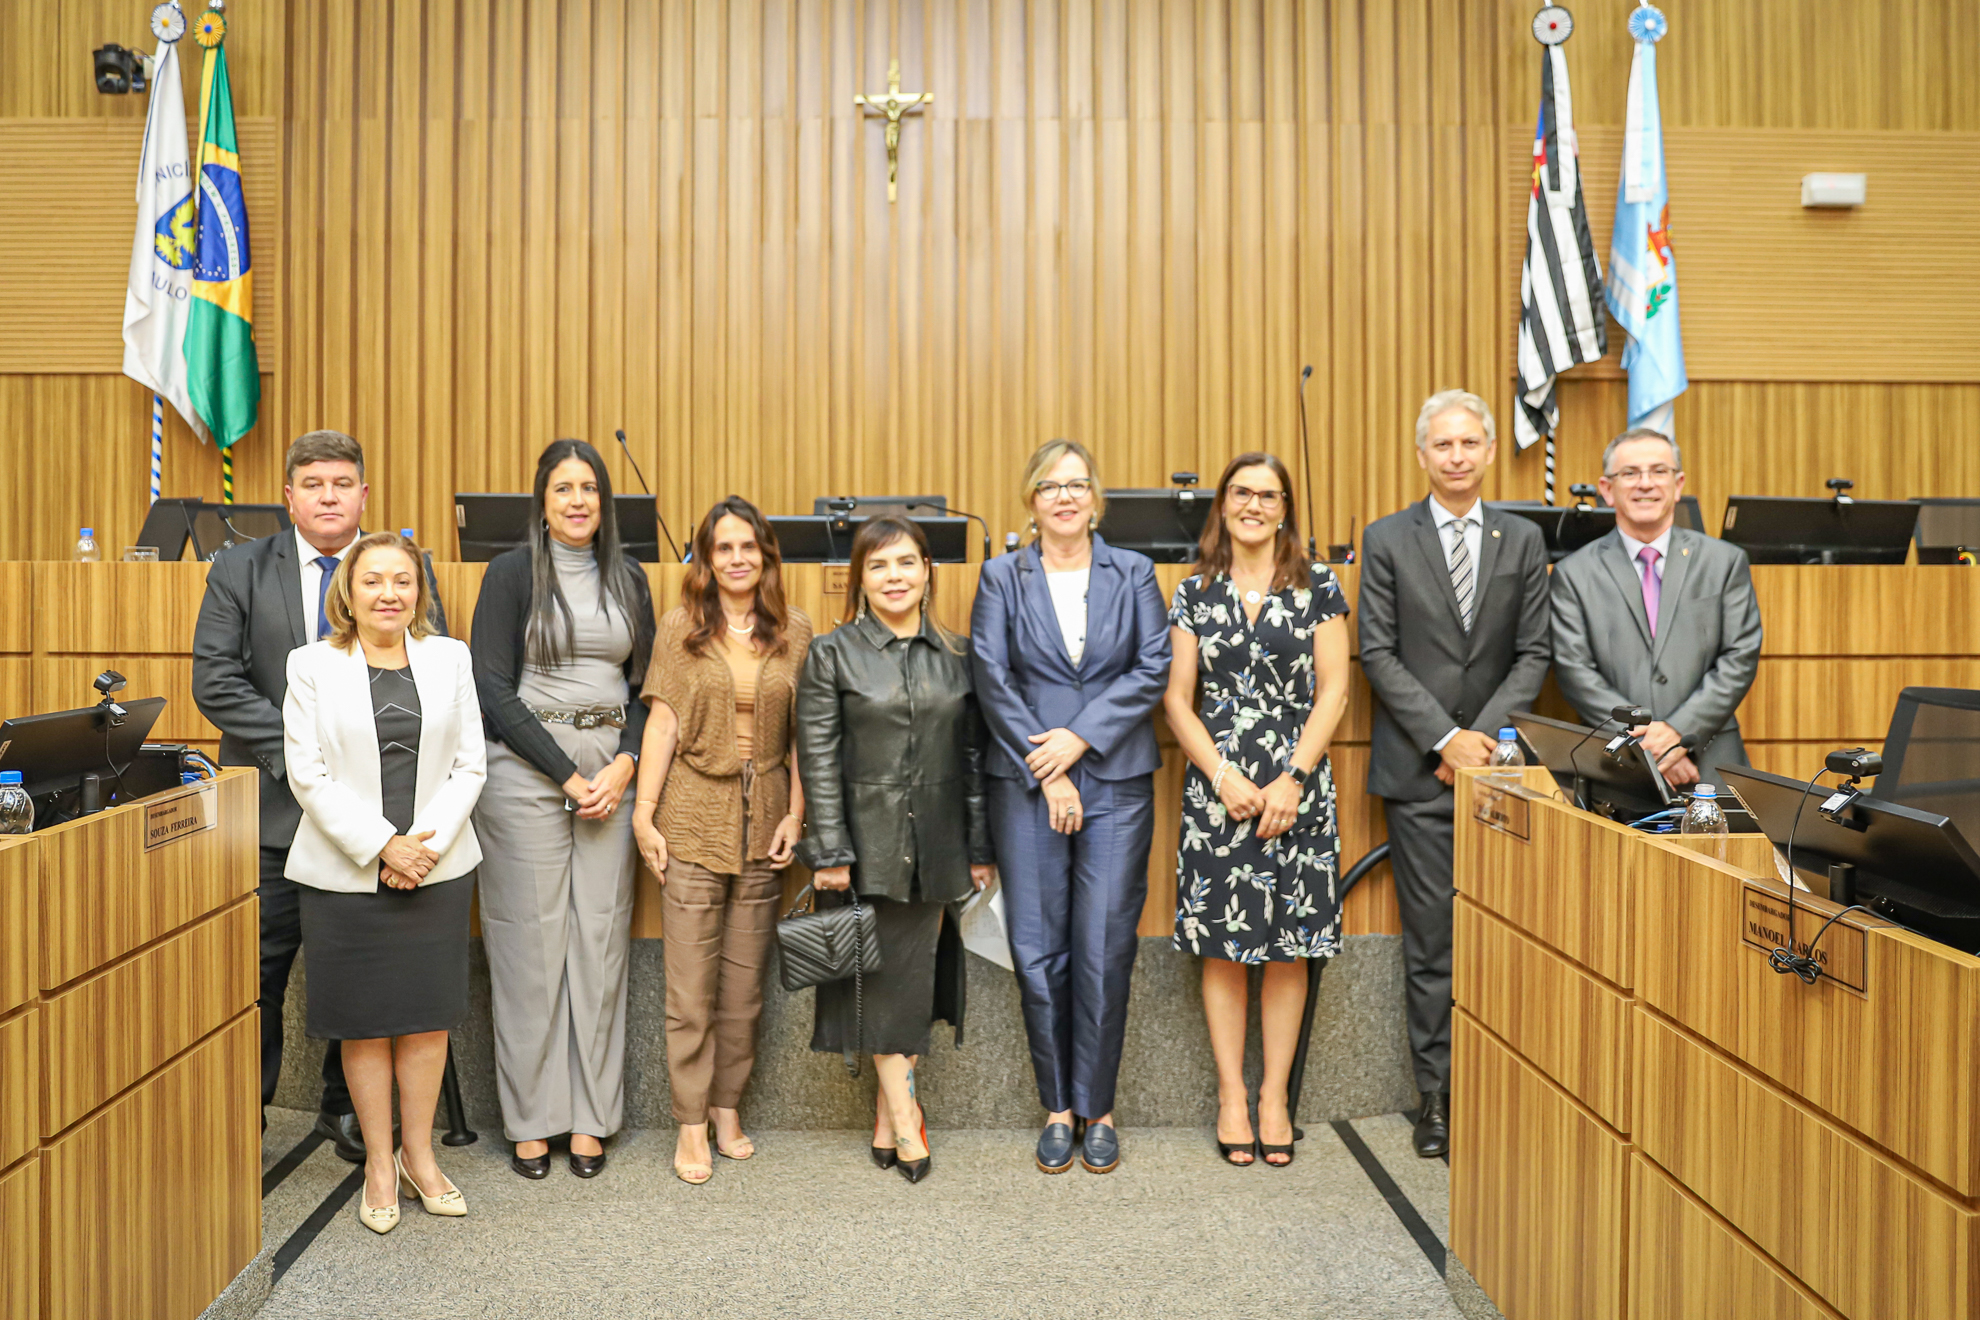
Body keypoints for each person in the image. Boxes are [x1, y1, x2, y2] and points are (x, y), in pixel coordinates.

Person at [192, 430, 453, 1161]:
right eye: (314, 484)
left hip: (378, 823)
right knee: (257, 978)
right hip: (273, 817)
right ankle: (246, 1122)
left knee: (362, 974)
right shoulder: (240, 568)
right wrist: (299, 758)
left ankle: (347, 1116)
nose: (329, 496)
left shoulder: (400, 571)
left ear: (364, 496)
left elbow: (435, 685)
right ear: (289, 497)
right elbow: (215, 680)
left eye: (343, 483)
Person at [1358, 391, 1552, 1159]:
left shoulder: (1525, 539)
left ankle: (1505, 1087)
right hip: (1419, 776)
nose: (1458, 456)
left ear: (1490, 449)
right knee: (1434, 944)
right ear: (1422, 456)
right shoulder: (1386, 539)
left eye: (1470, 442)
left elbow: (1534, 651)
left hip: (1503, 775)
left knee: (1510, 941)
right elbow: (1377, 651)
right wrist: (1444, 739)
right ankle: (1436, 1097)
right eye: (1443, 445)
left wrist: (1482, 742)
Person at [970, 439, 1169, 1176]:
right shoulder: (1000, 576)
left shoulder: (1135, 572)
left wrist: (1079, 741)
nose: (1064, 496)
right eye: (1050, 486)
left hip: (1116, 781)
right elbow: (991, 675)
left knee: (1105, 945)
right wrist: (1047, 766)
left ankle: (1099, 1103)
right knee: (1037, 948)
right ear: (1031, 500)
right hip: (1026, 783)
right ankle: (1057, 1106)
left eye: (1078, 484)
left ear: (1095, 499)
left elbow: (1154, 666)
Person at [282, 533, 486, 1234]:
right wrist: (382, 848)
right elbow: (307, 775)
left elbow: (470, 766)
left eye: (402, 581)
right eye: (373, 581)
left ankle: (421, 1158)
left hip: (437, 864)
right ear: (349, 592)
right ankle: (378, 1161)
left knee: (427, 1021)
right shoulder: (310, 665)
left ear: (419, 591)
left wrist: (419, 849)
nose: (389, 593)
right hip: (344, 874)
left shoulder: (448, 657)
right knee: (366, 1026)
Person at [470, 439, 656, 1180]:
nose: (577, 500)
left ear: (603, 502)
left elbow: (648, 688)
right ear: (541, 501)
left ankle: (590, 1118)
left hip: (612, 775)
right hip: (524, 775)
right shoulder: (513, 573)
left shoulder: (630, 576)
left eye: (589, 488)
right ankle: (531, 1119)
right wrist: (565, 776)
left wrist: (625, 764)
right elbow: (492, 687)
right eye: (563, 488)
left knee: (600, 945)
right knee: (530, 950)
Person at [1163, 453, 1352, 1168]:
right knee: (1221, 946)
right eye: (1241, 492)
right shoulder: (1193, 593)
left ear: (1285, 509)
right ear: (1222, 504)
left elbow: (1334, 691)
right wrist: (1221, 776)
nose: (1254, 505)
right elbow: (1179, 699)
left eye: (1268, 495)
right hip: (1220, 795)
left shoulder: (1319, 586)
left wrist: (1293, 778)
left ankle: (1273, 1097)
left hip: (1298, 792)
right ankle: (1231, 1098)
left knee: (1288, 949)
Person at [795, 515, 996, 1185]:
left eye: (906, 563)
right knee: (883, 989)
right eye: (879, 566)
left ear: (928, 572)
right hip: (865, 847)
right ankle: (908, 1123)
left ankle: (887, 1116)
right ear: (860, 579)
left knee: (913, 985)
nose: (895, 577)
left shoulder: (957, 656)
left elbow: (972, 757)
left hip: (938, 844)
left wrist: (979, 844)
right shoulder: (832, 654)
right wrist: (828, 848)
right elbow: (816, 759)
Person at [631, 497, 811, 1186]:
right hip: (691, 818)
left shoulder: (795, 629)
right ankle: (689, 1121)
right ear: (705, 559)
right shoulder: (681, 628)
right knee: (690, 990)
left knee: (743, 990)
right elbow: (661, 728)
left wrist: (795, 814)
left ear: (766, 556)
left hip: (765, 822)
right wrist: (644, 816)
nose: (737, 559)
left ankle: (728, 1107)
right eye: (723, 548)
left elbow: (802, 739)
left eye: (749, 547)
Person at [1551, 428, 1762, 786]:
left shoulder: (1724, 562)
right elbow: (1575, 671)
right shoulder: (1573, 574)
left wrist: (1681, 733)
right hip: (1618, 764)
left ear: (1678, 484)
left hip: (1712, 759)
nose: (1645, 483)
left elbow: (1740, 656)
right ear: (1606, 489)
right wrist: (1648, 743)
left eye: (1658, 471)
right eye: (1630, 473)